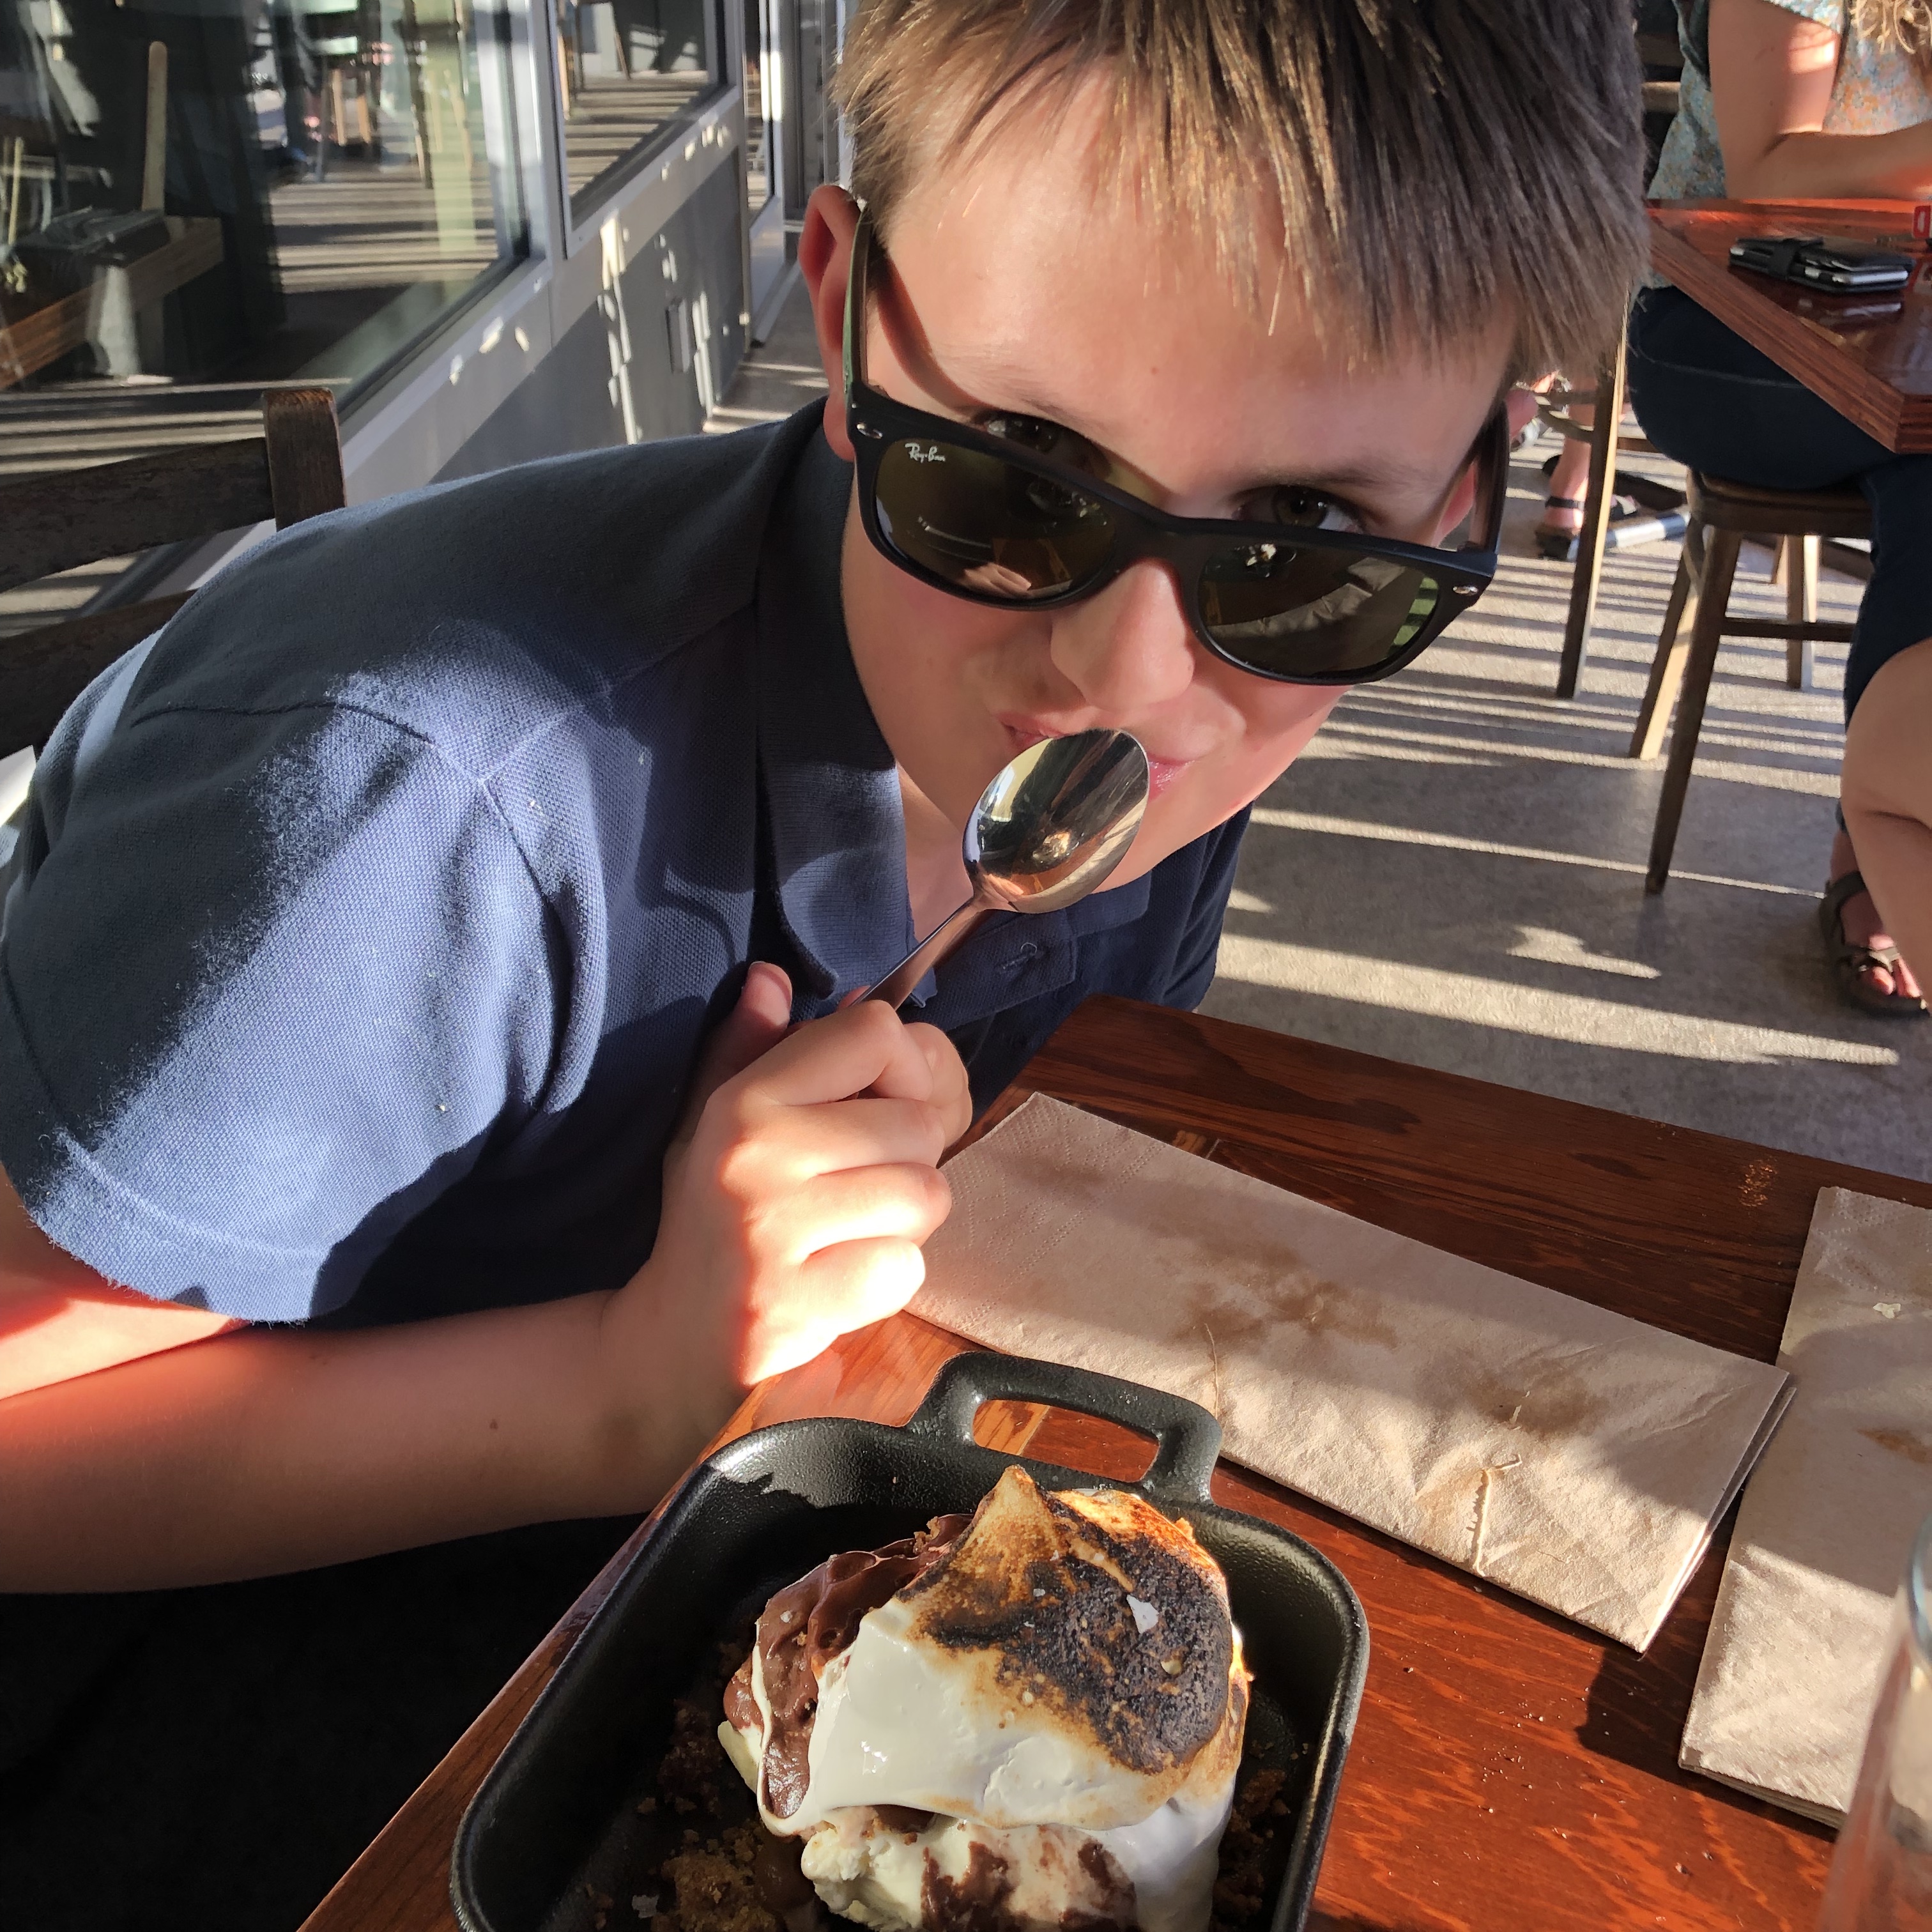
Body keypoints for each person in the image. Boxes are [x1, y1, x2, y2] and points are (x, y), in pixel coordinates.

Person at [0, 3, 1649, 1922]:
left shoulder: (1145, 709)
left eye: (1307, 540)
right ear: (845, 310)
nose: (1127, 678)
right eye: (1019, 469)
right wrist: (630, 1378)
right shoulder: (416, 796)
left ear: (1474, 492)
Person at [1634, 0, 1932, 1014]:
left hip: (1898, 317)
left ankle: (1898, 831)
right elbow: (1769, 170)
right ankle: (1881, 844)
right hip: (1720, 320)